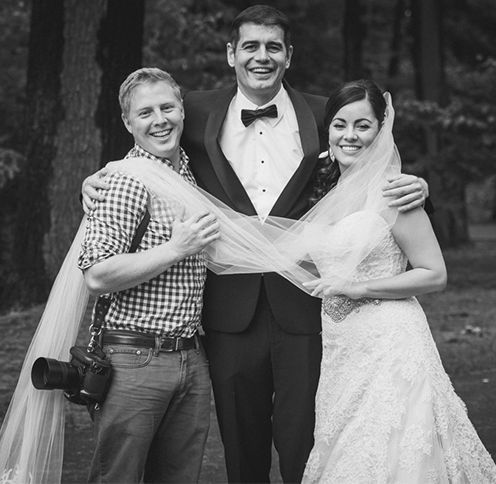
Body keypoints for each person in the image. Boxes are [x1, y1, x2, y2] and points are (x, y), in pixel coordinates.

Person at [81, 6, 430, 482]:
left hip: (309, 305)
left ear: (289, 55)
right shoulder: (195, 110)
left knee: (306, 443)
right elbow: (149, 143)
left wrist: (416, 186)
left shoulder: (324, 112)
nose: (261, 57)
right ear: (231, 54)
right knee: (240, 449)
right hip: (227, 312)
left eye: (273, 47)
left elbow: (370, 157)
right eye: (250, 46)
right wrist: (98, 177)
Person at [297, 79, 496, 483]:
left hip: (391, 343)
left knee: (390, 452)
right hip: (342, 348)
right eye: (340, 124)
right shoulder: (323, 188)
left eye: (362, 125)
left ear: (381, 130)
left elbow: (434, 274)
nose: (349, 136)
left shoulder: (395, 193)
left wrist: (359, 288)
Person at [78, 67, 219, 483]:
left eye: (167, 107)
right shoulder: (125, 182)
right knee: (118, 477)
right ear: (128, 123)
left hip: (191, 359)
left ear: (181, 111)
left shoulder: (191, 175)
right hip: (133, 361)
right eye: (145, 113)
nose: (159, 120)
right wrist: (176, 248)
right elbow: (98, 275)